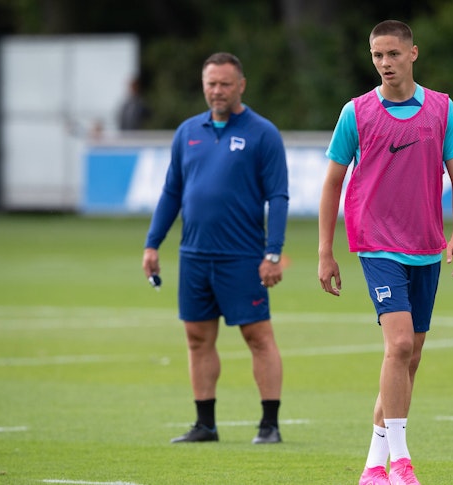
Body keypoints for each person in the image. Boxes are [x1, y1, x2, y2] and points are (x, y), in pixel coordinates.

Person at [317, 20, 453, 485]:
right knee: (400, 344)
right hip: (376, 243)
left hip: (426, 245)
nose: (385, 63)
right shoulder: (357, 113)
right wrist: (326, 251)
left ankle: (372, 467)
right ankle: (402, 462)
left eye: (392, 54)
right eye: (377, 55)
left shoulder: (442, 110)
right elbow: (332, 183)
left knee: (410, 356)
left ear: (413, 54)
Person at [142, 52, 288, 445]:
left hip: (242, 257)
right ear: (203, 85)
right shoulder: (188, 131)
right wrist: (152, 244)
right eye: (211, 83)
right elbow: (172, 192)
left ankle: (269, 424)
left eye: (225, 83)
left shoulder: (263, 134)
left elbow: (278, 196)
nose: (217, 91)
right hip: (194, 256)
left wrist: (273, 252)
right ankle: (205, 424)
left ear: (241, 85)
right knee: (196, 338)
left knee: (258, 337)